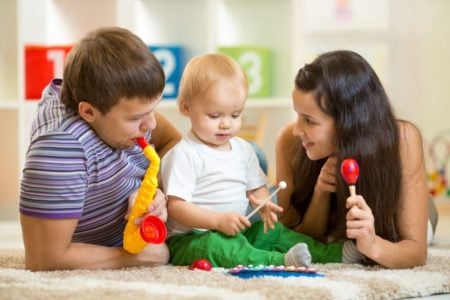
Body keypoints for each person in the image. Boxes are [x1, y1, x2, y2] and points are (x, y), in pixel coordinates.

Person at [160, 54, 360, 268]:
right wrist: (217, 221)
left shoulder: (243, 149)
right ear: (186, 107)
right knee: (219, 246)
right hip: (192, 238)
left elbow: (257, 188)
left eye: (235, 115)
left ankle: (333, 253)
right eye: (215, 116)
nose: (226, 124)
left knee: (275, 233)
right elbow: (176, 207)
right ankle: (279, 261)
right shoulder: (184, 154)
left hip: (238, 230)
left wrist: (264, 204)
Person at [19, 27, 181, 271]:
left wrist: (155, 193)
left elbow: (172, 142)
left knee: (251, 156)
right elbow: (44, 258)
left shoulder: (124, 105)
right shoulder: (61, 147)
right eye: (137, 117)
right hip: (109, 247)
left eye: (152, 109)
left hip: (154, 225)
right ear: (88, 112)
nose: (152, 124)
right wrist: (133, 258)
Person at [275, 50, 437, 269]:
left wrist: (372, 245)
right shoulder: (288, 141)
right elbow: (290, 239)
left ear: (348, 122)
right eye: (297, 114)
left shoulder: (403, 139)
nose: (297, 130)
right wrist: (320, 193)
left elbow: (415, 253)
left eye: (309, 120)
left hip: (398, 214)